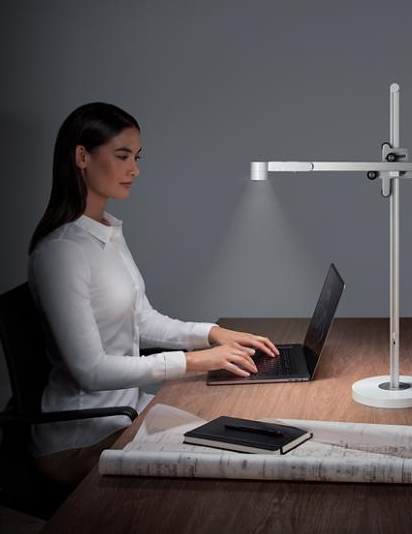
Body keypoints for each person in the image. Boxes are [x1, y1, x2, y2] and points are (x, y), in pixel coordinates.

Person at [27, 102, 280, 487]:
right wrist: (194, 362)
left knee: (244, 426)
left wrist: (213, 334)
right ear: (81, 156)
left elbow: (142, 320)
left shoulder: (106, 232)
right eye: (122, 156)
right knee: (229, 465)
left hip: (128, 412)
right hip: (81, 439)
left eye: (137, 157)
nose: (135, 169)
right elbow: (90, 371)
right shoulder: (61, 252)